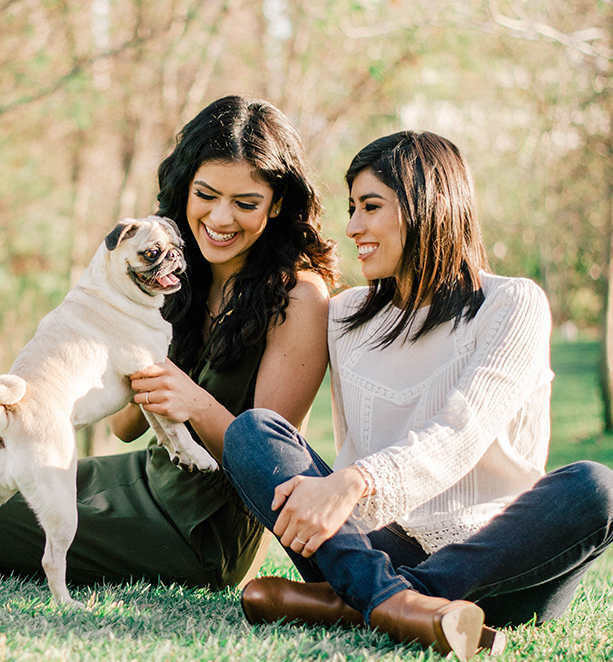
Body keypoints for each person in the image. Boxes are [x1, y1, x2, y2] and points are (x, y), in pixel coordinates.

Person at [0, 95, 337, 591]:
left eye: (245, 204)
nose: (221, 219)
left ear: (278, 203)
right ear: (185, 189)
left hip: (200, 528)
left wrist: (194, 401)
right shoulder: (170, 271)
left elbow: (269, 466)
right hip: (145, 476)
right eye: (207, 194)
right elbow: (125, 427)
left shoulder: (298, 297)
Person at [223, 131, 613, 660]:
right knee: (254, 430)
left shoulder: (512, 304)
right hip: (365, 546)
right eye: (352, 208)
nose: (353, 226)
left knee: (597, 486)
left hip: (503, 559)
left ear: (427, 207)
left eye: (371, 207)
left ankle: (364, 603)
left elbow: (462, 430)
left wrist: (357, 482)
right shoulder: (343, 317)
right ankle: (395, 601)